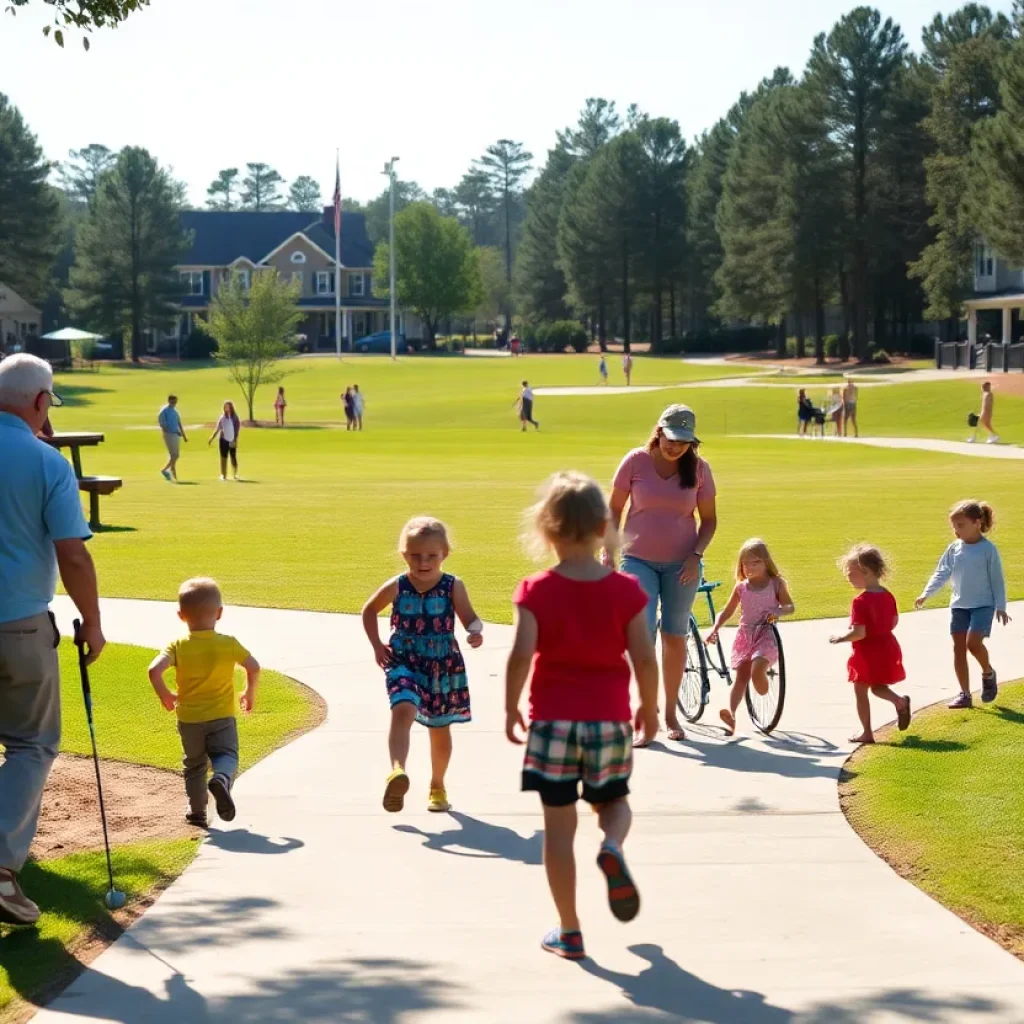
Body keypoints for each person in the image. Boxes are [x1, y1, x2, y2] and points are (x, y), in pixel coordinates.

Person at [505, 472, 659, 960]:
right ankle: (612, 846)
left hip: (552, 721)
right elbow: (645, 659)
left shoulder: (535, 590)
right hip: (608, 720)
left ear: (546, 530)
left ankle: (569, 931)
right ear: (603, 528)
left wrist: (510, 703)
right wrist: (649, 707)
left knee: (558, 828)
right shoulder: (627, 590)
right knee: (613, 802)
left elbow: (519, 655)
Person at [0, 353, 105, 925]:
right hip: (18, 623)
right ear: (41, 402)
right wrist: (91, 620)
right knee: (31, 743)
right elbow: (73, 553)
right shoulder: (46, 463)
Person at [607, 405, 717, 743]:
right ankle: (646, 714)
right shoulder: (635, 462)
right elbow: (613, 510)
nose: (675, 447)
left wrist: (696, 556)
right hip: (637, 560)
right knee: (643, 636)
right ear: (659, 431)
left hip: (682, 564)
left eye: (684, 442)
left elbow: (709, 520)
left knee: (674, 635)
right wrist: (607, 555)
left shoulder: (699, 470)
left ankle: (670, 713)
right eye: (671, 439)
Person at [361, 518, 483, 814]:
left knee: (439, 728)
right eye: (415, 555)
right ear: (404, 554)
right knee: (401, 709)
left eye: (432, 555)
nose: (423, 562)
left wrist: (474, 631)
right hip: (403, 660)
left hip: (442, 666)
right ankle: (397, 771)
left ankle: (437, 786)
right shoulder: (398, 585)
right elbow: (369, 610)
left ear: (445, 554)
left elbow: (469, 617)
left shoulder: (453, 586)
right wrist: (378, 645)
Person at [147, 578, 260, 827]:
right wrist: (249, 693)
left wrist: (165, 695)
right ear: (219, 613)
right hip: (222, 716)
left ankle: (197, 811)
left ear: (181, 615)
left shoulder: (177, 646)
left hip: (189, 719)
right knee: (227, 755)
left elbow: (154, 670)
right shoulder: (229, 644)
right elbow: (253, 667)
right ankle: (221, 778)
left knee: (194, 764)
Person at [915, 500, 1009, 708]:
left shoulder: (988, 549)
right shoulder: (954, 549)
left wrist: (1000, 605)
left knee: (972, 644)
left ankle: (988, 673)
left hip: (983, 605)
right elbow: (941, 573)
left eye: (961, 525)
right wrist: (926, 593)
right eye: (954, 527)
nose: (956, 531)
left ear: (977, 523)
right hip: (959, 605)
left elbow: (997, 579)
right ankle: (965, 694)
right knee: (958, 649)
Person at [705, 539, 795, 736]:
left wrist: (777, 612)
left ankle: (761, 683)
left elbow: (790, 607)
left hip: (766, 634)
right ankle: (731, 714)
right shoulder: (741, 588)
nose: (750, 567)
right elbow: (727, 611)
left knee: (757, 667)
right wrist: (715, 629)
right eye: (745, 563)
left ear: (766, 562)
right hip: (745, 635)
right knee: (741, 678)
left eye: (755, 562)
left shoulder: (776, 584)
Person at [830, 545, 911, 745]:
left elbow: (859, 633)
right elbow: (893, 622)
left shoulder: (860, 601)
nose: (848, 578)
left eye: (851, 573)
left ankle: (867, 732)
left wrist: (840, 637)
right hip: (887, 646)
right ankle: (899, 702)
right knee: (877, 687)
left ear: (865, 571)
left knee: (861, 690)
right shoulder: (887, 595)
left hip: (867, 651)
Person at [207, 400, 241, 481]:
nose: (227, 408)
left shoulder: (235, 418)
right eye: (225, 407)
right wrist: (212, 438)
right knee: (223, 457)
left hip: (232, 439)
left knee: (233, 457)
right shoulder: (222, 417)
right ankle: (223, 474)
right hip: (223, 439)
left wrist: (234, 439)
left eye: (228, 406)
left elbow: (236, 430)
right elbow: (218, 428)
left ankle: (235, 473)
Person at [158, 394, 187, 482]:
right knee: (174, 455)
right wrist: (168, 431)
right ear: (169, 401)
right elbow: (162, 423)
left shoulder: (175, 411)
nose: (174, 402)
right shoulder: (164, 411)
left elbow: (179, 423)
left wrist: (183, 435)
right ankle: (168, 471)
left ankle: (169, 472)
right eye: (173, 401)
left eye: (175, 401)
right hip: (169, 434)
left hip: (175, 434)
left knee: (174, 455)